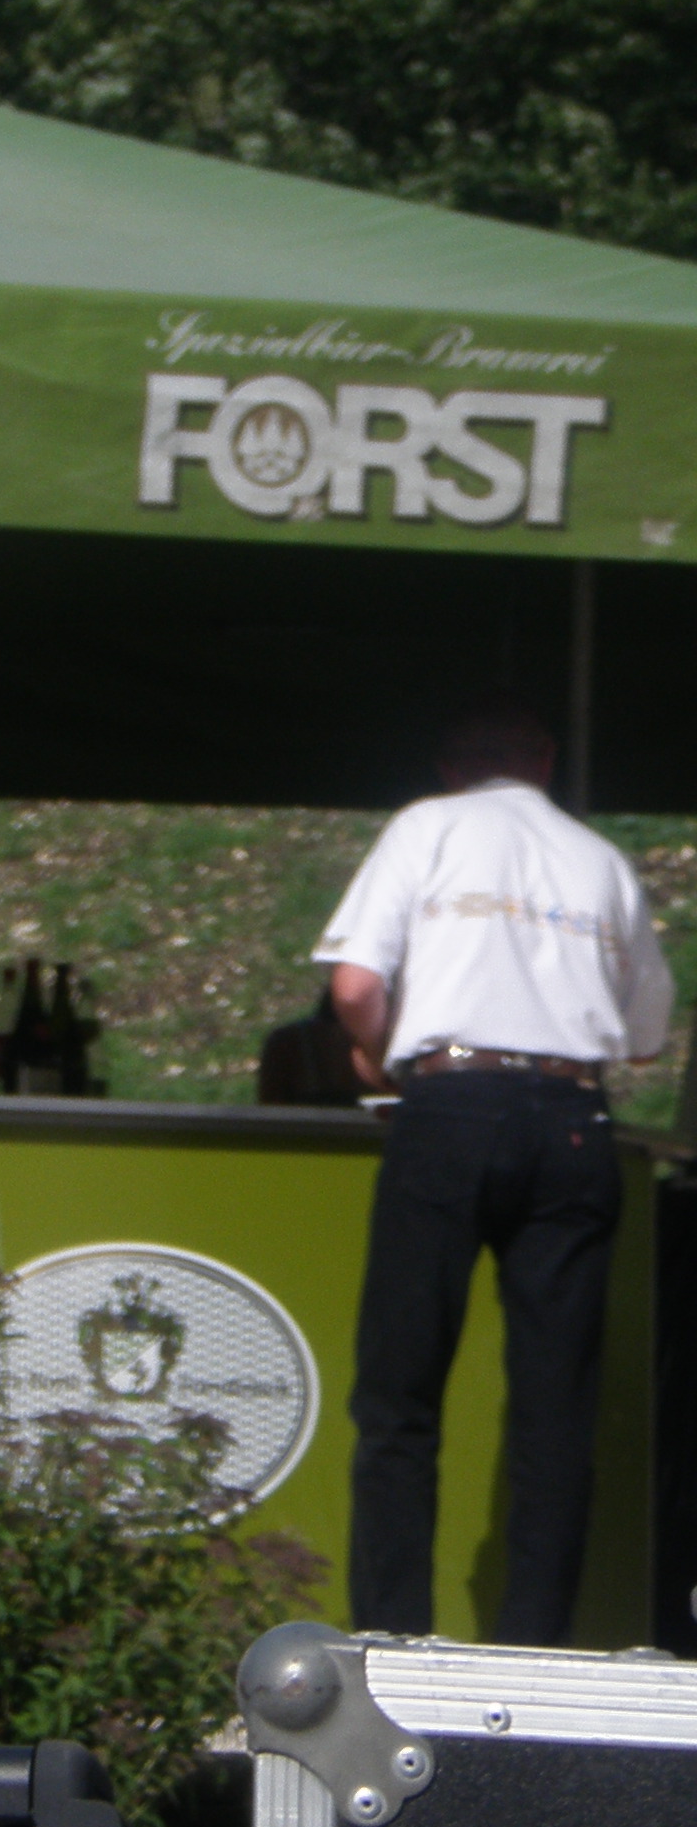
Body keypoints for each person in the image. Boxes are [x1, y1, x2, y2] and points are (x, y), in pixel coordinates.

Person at [318, 701, 673, 1644]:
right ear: (545, 764)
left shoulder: (426, 828)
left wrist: (380, 1051)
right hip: (571, 1117)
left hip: (451, 1103)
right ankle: (534, 1644)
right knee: (556, 1405)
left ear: (448, 769)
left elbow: (354, 986)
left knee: (400, 1393)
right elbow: (645, 1034)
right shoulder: (600, 859)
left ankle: (392, 1633)